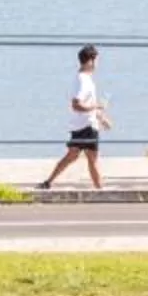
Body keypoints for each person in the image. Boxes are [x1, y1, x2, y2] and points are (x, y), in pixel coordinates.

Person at [41, 44, 108, 189]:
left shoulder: (82, 78)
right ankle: (101, 191)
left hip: (80, 125)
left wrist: (101, 118)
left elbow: (86, 103)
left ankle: (48, 182)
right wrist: (96, 107)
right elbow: (76, 105)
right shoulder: (83, 80)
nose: (98, 64)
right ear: (91, 60)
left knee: (72, 156)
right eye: (97, 60)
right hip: (87, 127)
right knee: (93, 160)